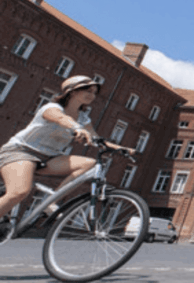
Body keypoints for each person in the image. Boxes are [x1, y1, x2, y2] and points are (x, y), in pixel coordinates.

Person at [0, 75, 132, 237]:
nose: (92, 95)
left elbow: (95, 138)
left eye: (95, 92)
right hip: (21, 152)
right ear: (72, 92)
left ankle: (50, 203)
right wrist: (76, 128)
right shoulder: (51, 108)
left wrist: (120, 148)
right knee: (19, 191)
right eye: (87, 90)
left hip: (49, 159)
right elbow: (61, 119)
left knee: (88, 163)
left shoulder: (84, 118)